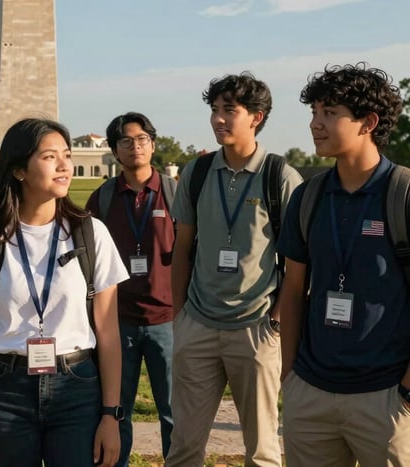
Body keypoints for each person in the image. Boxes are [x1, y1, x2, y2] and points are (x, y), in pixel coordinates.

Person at [0, 117, 129, 467]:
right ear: (19, 170)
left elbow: (108, 333)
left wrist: (111, 415)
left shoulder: (90, 234)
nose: (65, 165)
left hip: (77, 386)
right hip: (6, 389)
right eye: (50, 157)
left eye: (66, 154)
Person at [166, 73, 302, 467]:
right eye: (214, 110)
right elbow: (182, 250)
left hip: (255, 329)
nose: (218, 119)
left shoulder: (281, 176)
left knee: (261, 451)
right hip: (198, 325)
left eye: (230, 111)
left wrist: (275, 322)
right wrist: (180, 317)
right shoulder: (197, 172)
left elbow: (297, 266)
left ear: (256, 117)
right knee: (184, 448)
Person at [277, 63, 410, 466]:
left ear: (368, 122)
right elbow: (294, 289)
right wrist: (290, 376)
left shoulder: (402, 193)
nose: (315, 124)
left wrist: (405, 393)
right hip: (311, 392)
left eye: (329, 113)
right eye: (314, 113)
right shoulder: (309, 196)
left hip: (384, 396)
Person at [86, 112, 176, 464]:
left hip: (166, 319)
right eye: (126, 141)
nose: (135, 147)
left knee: (173, 413)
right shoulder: (103, 199)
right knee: (115, 410)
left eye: (141, 139)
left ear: (152, 145)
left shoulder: (174, 193)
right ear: (114, 151)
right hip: (117, 320)